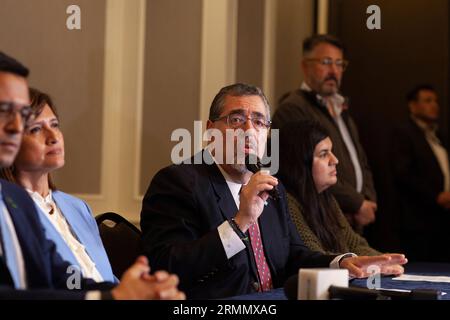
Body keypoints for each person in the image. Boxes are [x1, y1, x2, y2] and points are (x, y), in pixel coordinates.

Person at [140, 83, 407, 299]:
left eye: (258, 122)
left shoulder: (271, 185)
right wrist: (240, 222)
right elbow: (168, 267)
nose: (248, 131)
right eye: (236, 120)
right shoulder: (177, 183)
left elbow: (293, 256)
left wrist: (339, 263)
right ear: (211, 131)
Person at [0, 51, 185, 300]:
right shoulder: (23, 199)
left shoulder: (15, 199)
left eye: (21, 115)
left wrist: (137, 292)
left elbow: (60, 275)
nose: (14, 127)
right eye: (3, 111)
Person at [0, 87, 115, 283]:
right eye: (35, 129)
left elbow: (106, 280)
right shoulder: (6, 210)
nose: (53, 137)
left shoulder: (78, 207)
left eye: (54, 125)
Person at [272, 34, 377, 231]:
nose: (334, 71)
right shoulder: (292, 109)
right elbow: (304, 171)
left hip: (352, 221)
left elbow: (362, 163)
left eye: (339, 64)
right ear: (305, 66)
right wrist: (357, 203)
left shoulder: (342, 112)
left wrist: (368, 199)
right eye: (326, 62)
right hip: (320, 221)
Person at [277, 120, 403, 275]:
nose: (334, 160)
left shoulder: (325, 198)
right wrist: (368, 263)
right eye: (324, 154)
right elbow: (314, 256)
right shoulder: (286, 201)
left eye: (331, 152)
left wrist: (383, 261)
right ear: (300, 162)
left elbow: (354, 243)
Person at [390, 84, 450, 262]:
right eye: (427, 100)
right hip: (419, 219)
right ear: (413, 105)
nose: (434, 105)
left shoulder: (440, 135)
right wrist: (436, 196)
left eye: (436, 101)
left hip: (443, 218)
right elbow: (403, 174)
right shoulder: (404, 133)